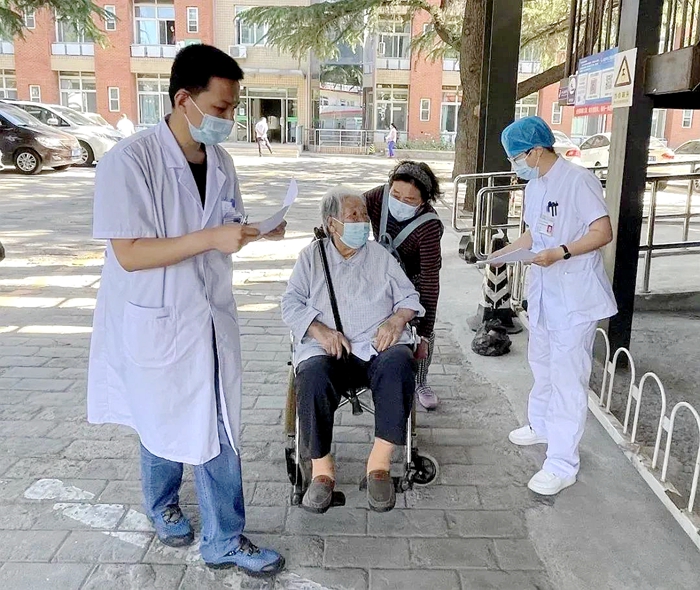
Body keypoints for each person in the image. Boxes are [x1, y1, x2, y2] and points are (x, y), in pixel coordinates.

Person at [87, 44, 286, 577]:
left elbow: (224, 223)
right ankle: (163, 506)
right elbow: (130, 254)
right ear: (183, 99)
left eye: (233, 108)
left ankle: (223, 538)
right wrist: (211, 238)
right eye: (221, 107)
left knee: (215, 422)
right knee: (159, 415)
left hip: (209, 315)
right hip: (157, 316)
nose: (229, 119)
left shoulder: (219, 160)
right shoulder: (129, 162)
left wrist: (253, 231)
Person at [491, 116, 618, 496]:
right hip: (545, 294)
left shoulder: (578, 180)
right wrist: (502, 254)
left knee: (567, 379)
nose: (515, 164)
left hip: (575, 298)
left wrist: (561, 252)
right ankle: (541, 425)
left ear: (535, 151)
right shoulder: (535, 186)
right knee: (542, 364)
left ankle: (562, 463)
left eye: (516, 156)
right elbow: (533, 232)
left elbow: (602, 232)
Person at [281, 187, 424, 514]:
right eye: (353, 215)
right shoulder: (311, 257)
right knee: (311, 375)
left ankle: (379, 465)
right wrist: (319, 330)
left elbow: (409, 298)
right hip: (327, 350)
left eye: (364, 214)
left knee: (400, 362)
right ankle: (322, 471)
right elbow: (290, 303)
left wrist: (396, 321)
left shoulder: (380, 256)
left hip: (376, 348)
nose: (362, 221)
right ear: (331, 224)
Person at [364, 161, 444, 410]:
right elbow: (347, 210)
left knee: (418, 331)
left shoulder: (429, 226)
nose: (400, 201)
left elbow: (430, 280)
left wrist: (424, 333)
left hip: (413, 281)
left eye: (409, 200)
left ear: (423, 201)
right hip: (379, 275)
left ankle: (420, 380)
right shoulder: (378, 197)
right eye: (396, 194)